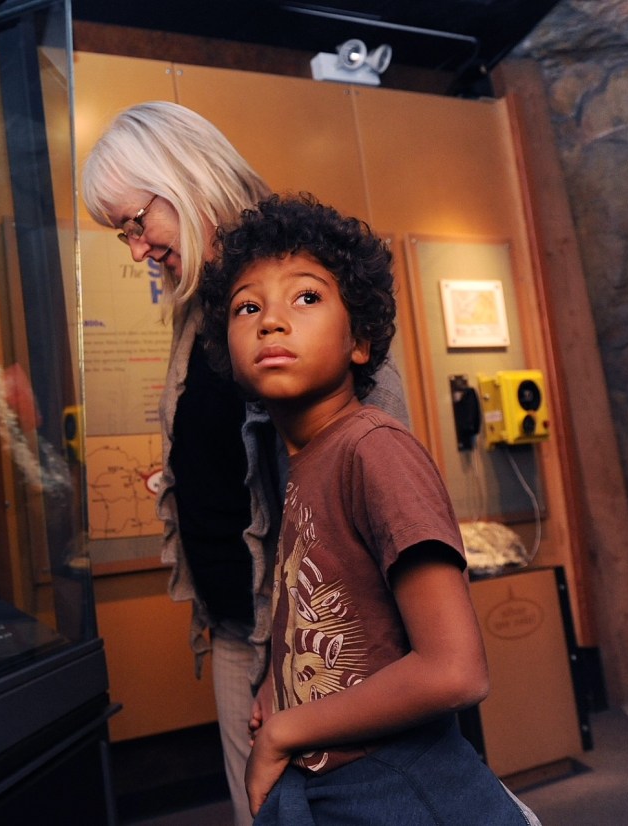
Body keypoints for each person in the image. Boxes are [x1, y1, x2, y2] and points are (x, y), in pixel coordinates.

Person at [81, 101, 410, 826]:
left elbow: (377, 470)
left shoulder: (300, 273)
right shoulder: (200, 304)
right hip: (236, 629)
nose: (135, 249)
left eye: (137, 223)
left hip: (319, 634)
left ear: (183, 176)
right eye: (123, 234)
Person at [198, 193, 539, 824]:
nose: (271, 321)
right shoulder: (302, 460)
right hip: (337, 788)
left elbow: (455, 670)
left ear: (360, 340)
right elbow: (334, 603)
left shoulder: (372, 450)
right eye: (249, 307)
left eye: (306, 297)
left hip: (403, 788)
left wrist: (282, 732)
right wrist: (282, 681)